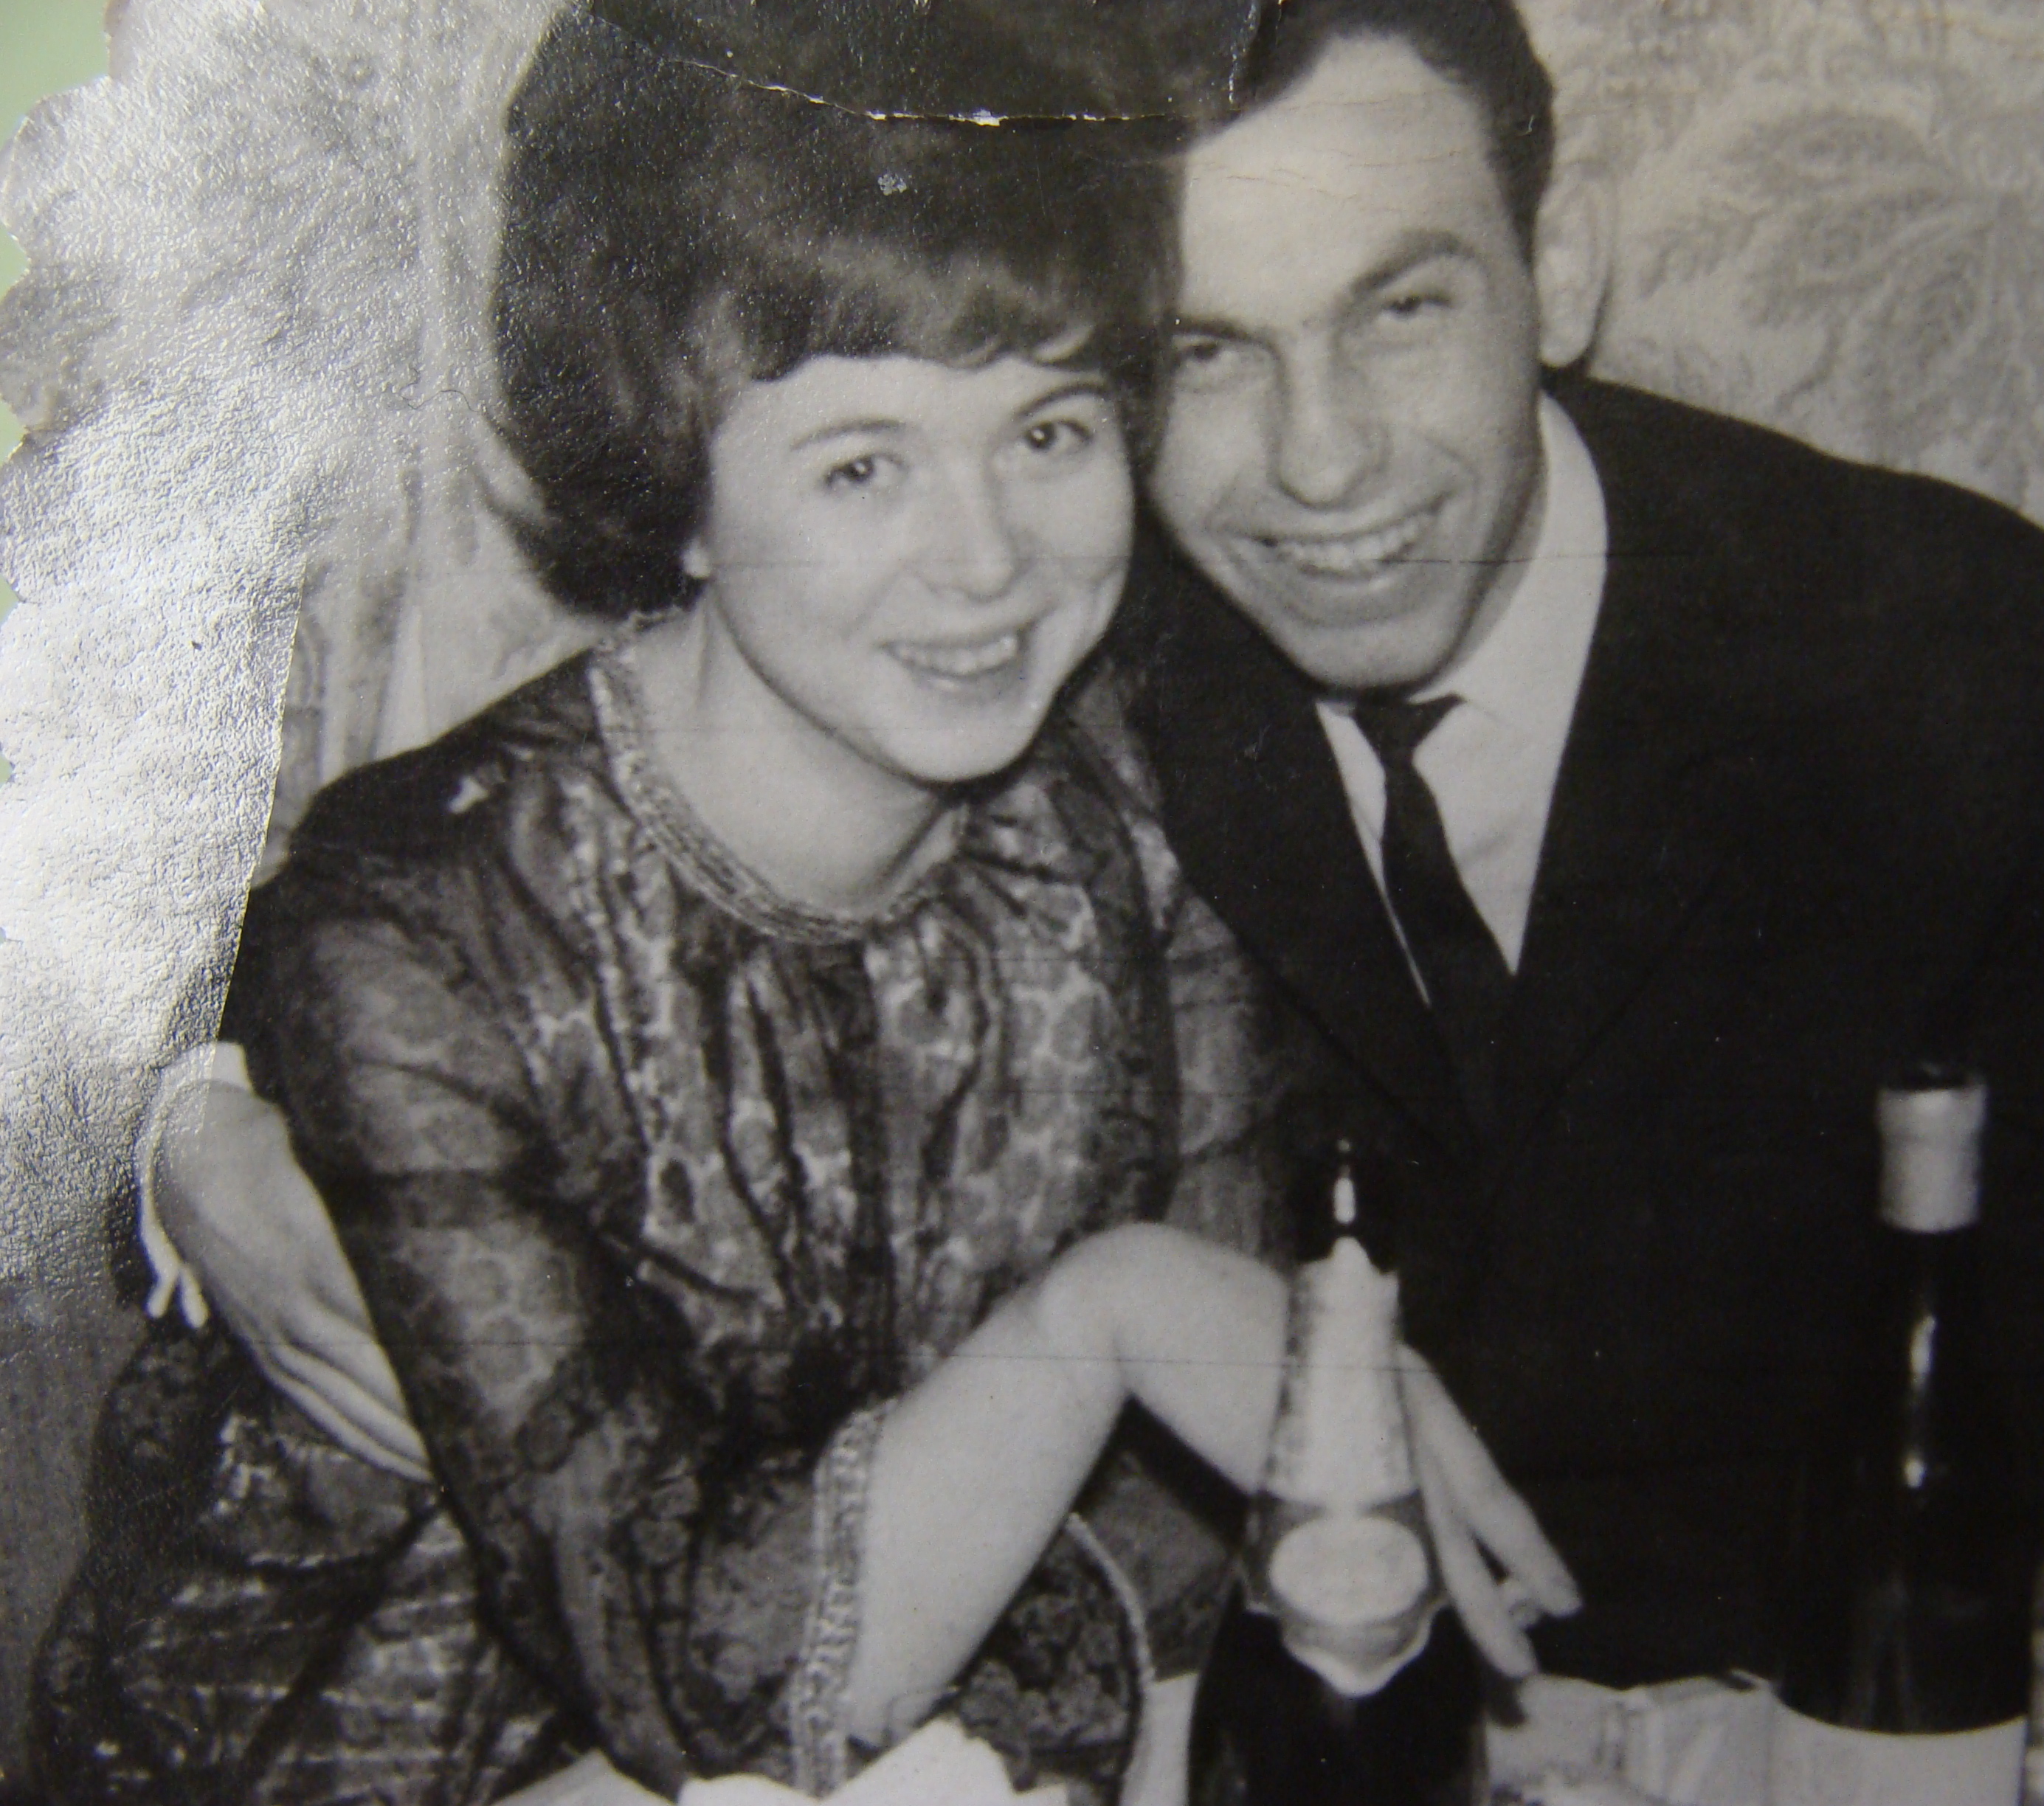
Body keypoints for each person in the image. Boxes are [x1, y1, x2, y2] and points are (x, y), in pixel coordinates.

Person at [135, 1, 2044, 1802]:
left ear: (1565, 272)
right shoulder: (1072, 656)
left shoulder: (1948, 655)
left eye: (1404, 309)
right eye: (1201, 355)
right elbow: (477, 900)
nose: (1324, 466)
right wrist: (194, 1126)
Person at [30, 8, 1575, 1804]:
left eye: (1050, 429)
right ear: (678, 490)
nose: (987, 560)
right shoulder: (429, 918)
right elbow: (703, 1683)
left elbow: (1176, 1552)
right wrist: (1107, 1313)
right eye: (862, 466)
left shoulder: (1140, 816)